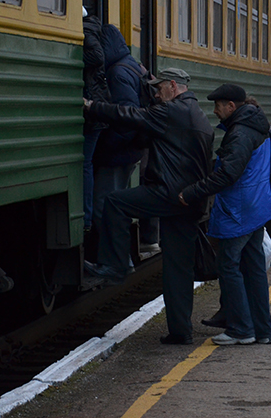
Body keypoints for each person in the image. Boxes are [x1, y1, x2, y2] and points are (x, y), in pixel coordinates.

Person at [84, 68, 215, 345]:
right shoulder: (198, 115)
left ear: (172, 86)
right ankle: (181, 332)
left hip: (168, 193)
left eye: (158, 89)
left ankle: (116, 265)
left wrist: (92, 106)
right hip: (190, 201)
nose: (156, 94)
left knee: (115, 203)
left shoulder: (171, 112)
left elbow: (130, 116)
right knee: (177, 270)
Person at [179, 84, 271, 346]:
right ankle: (262, 330)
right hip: (256, 207)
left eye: (218, 106)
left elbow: (228, 173)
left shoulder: (240, 133)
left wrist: (192, 192)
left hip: (239, 210)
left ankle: (241, 329)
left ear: (231, 106)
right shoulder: (256, 126)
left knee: (229, 266)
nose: (215, 111)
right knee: (254, 267)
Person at [89, 24, 145, 278]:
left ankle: (117, 264)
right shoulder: (131, 64)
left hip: (118, 152)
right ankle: (121, 261)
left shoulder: (118, 73)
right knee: (113, 206)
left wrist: (104, 148)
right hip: (128, 151)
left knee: (105, 207)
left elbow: (128, 118)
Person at [81, 14, 111, 235]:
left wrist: (72, 56)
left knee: (85, 163)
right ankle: (88, 217)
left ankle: (87, 218)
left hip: (94, 113)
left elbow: (97, 57)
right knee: (87, 163)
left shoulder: (88, 32)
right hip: (97, 111)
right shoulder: (94, 30)